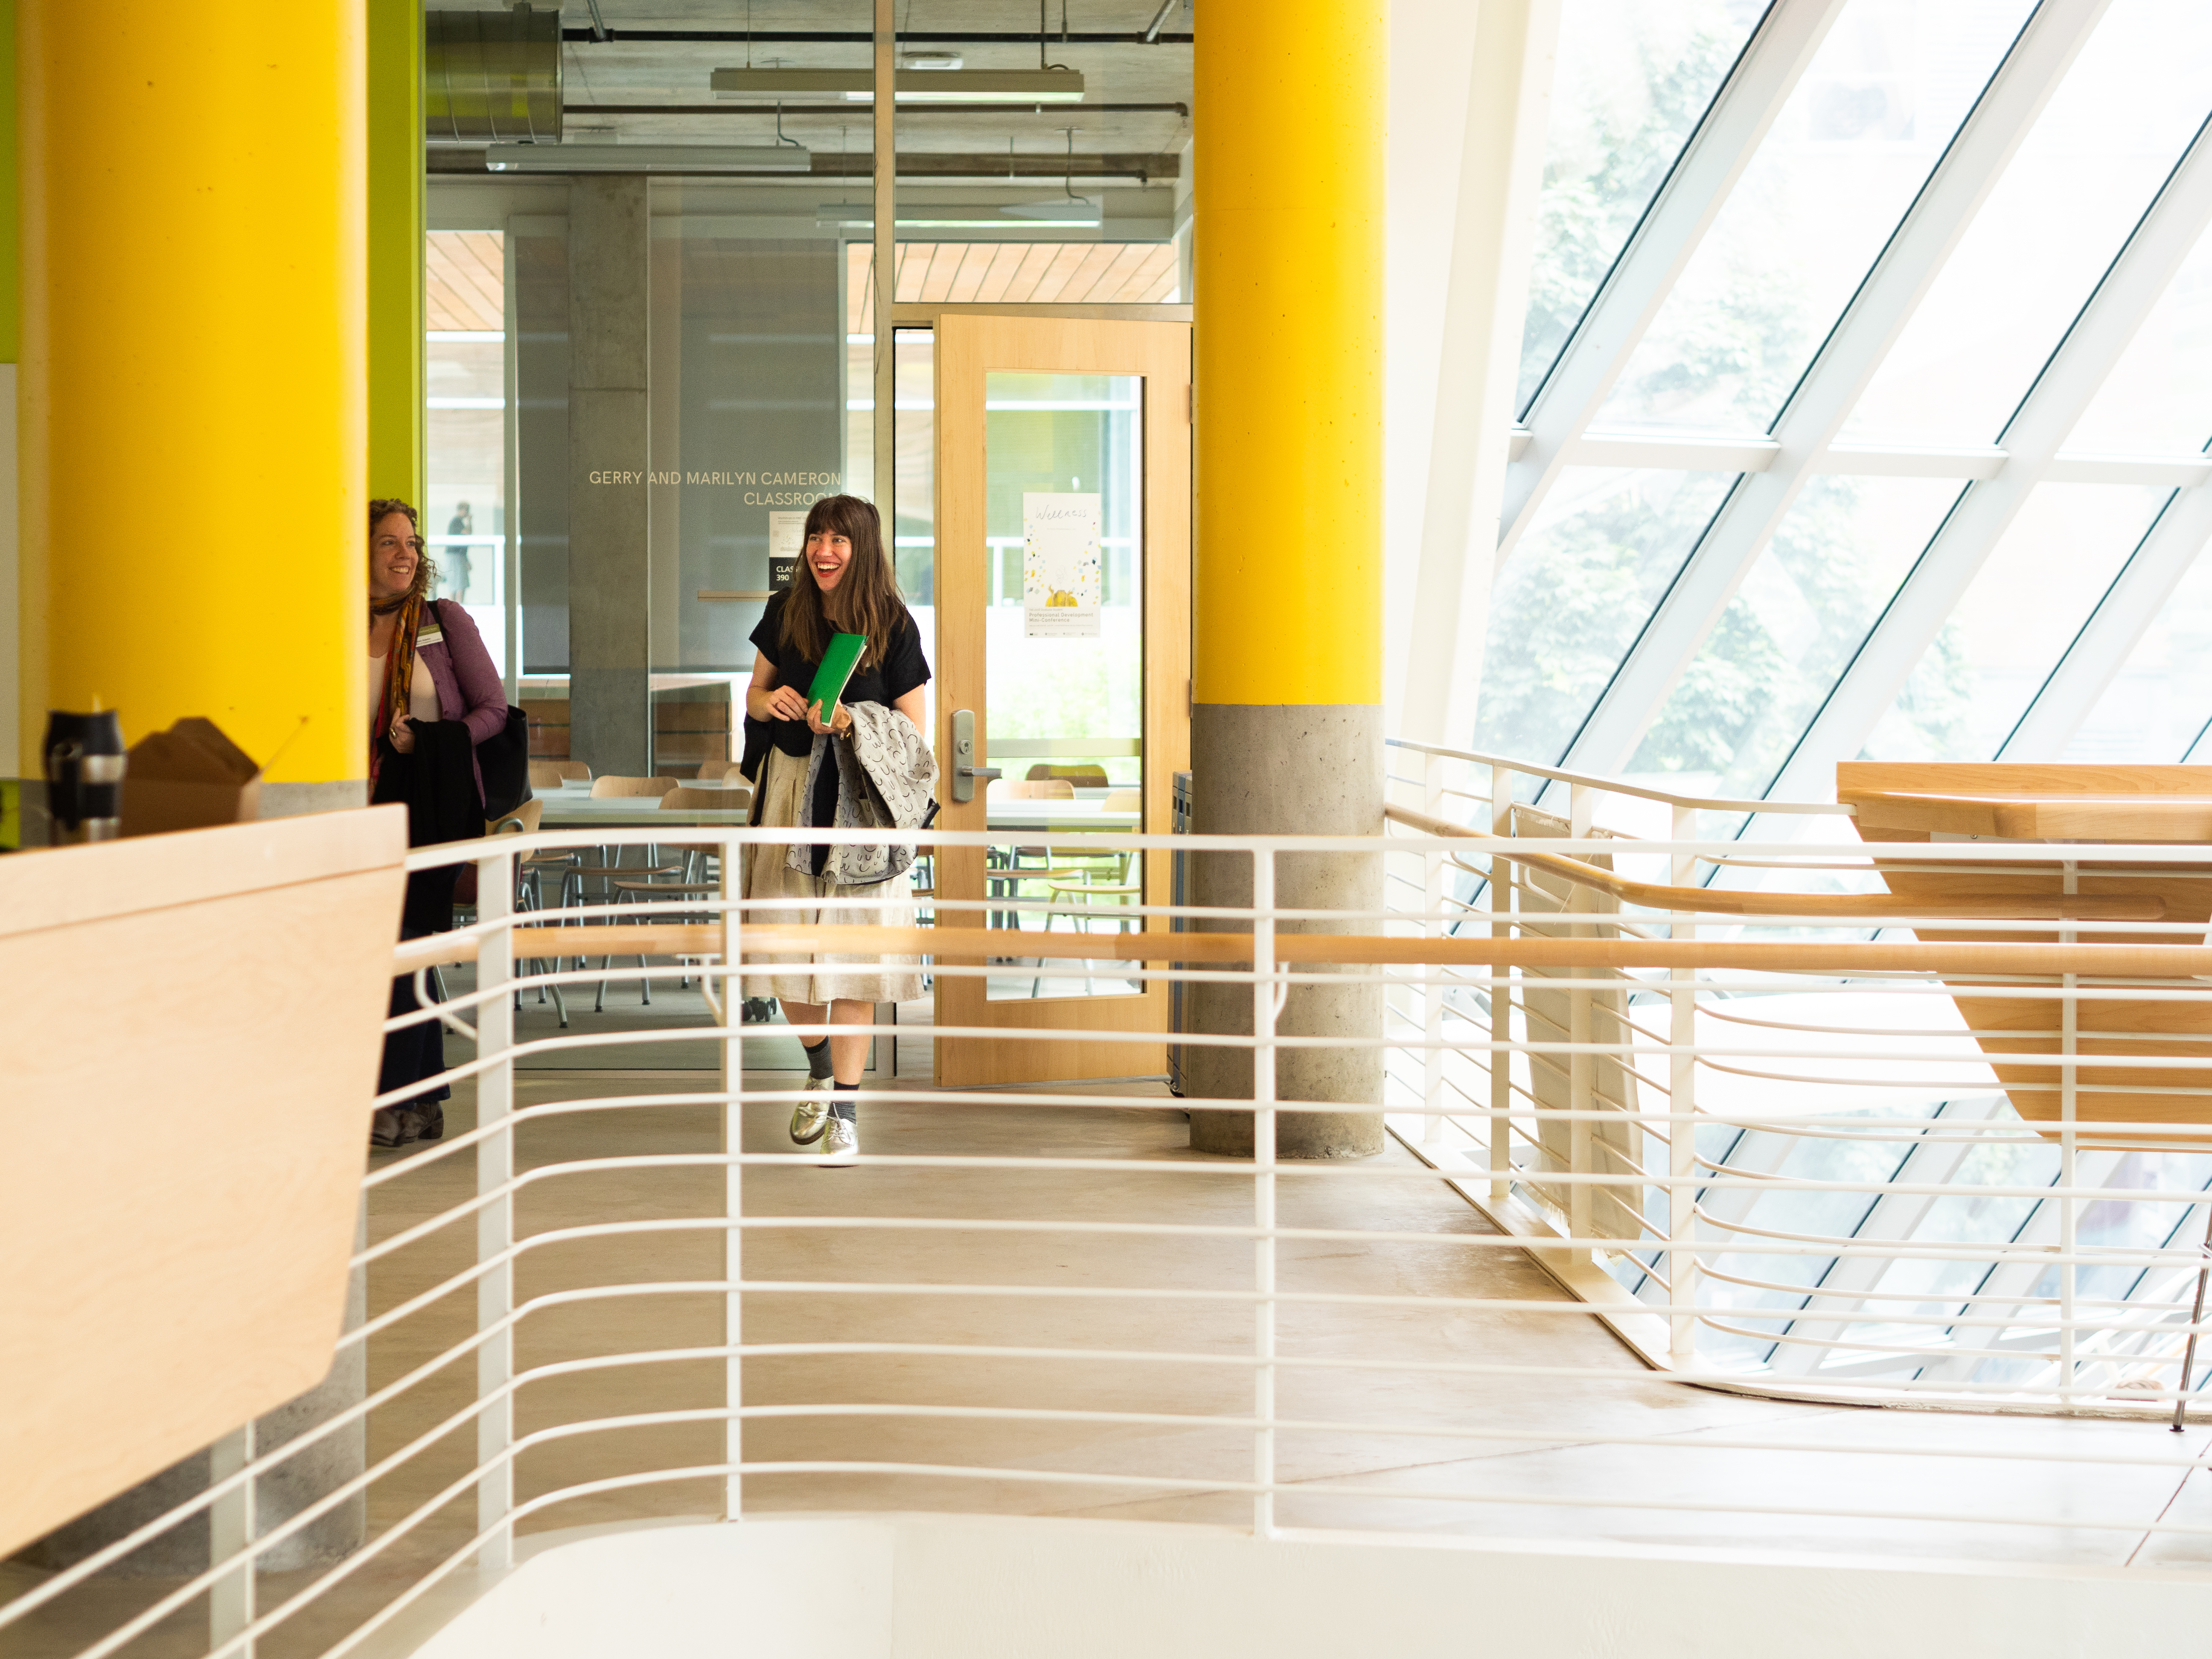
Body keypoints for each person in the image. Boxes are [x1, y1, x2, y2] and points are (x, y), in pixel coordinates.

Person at [742, 493, 931, 1164]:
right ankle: (820, 1067)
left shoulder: (894, 626)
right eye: (817, 536)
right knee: (786, 953)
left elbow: (914, 735)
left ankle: (845, 1109)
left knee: (857, 960)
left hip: (861, 809)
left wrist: (853, 721)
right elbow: (755, 695)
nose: (825, 550)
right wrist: (774, 700)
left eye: (840, 539)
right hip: (790, 795)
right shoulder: (784, 610)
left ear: (864, 547)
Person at [368, 498, 508, 1150]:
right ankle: (422, 1099)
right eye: (388, 542)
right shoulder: (328, 626)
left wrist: (429, 741)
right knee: (392, 954)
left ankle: (393, 1102)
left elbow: (493, 710)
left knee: (403, 947)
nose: (406, 555)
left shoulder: (441, 623)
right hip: (356, 813)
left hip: (433, 808)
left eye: (412, 543)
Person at [445, 501, 473, 603]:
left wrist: (466, 560)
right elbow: (467, 533)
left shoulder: (459, 522)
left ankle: (459, 608)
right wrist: (470, 521)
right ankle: (456, 609)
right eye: (466, 510)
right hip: (454, 557)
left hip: (459, 557)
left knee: (460, 584)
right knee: (457, 585)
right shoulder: (456, 522)